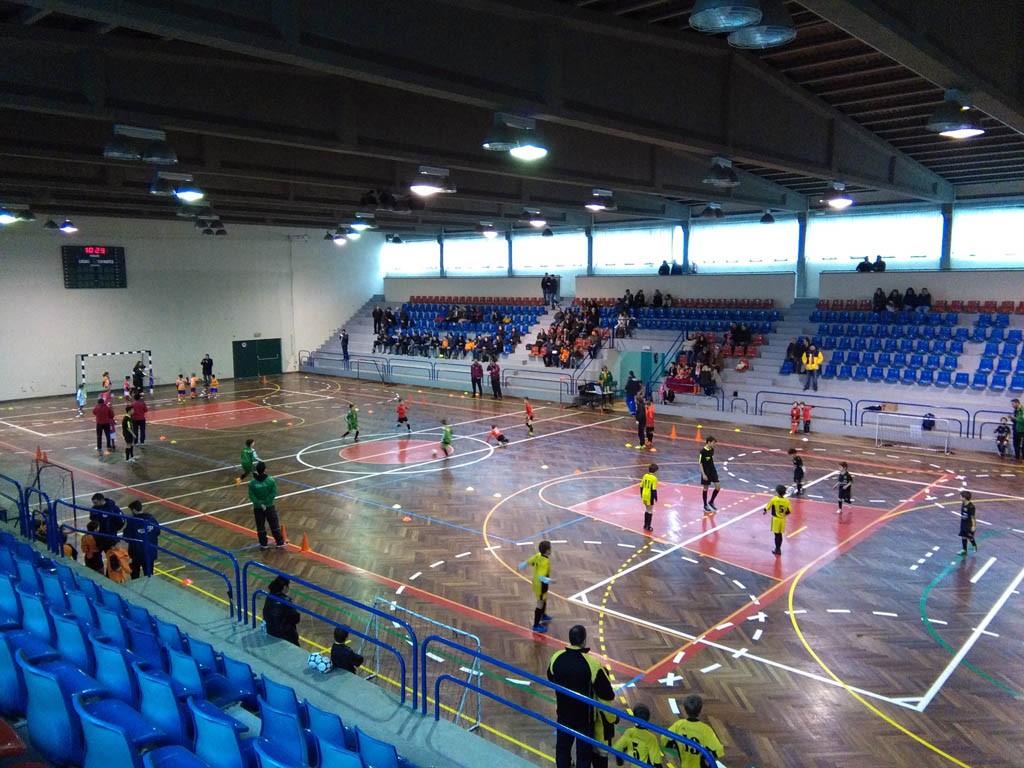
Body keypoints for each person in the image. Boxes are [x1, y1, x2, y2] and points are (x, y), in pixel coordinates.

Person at [547, 624, 614, 768]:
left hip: (563, 715)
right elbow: (607, 694)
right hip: (585, 720)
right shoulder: (593, 664)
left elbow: (550, 677)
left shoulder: (556, 658)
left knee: (562, 751)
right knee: (583, 757)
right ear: (584, 641)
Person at [662, 694, 724, 768]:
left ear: (685, 709)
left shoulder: (678, 725)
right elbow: (718, 751)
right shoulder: (705, 729)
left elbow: (664, 739)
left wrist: (675, 745)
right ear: (700, 709)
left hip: (684, 764)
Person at [249, 461, 285, 549]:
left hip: (257, 508)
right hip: (269, 506)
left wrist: (260, 504)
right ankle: (279, 542)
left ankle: (263, 544)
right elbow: (273, 493)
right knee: (274, 524)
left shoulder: (252, 483)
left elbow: (251, 496)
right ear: (265, 470)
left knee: (260, 526)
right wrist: (265, 503)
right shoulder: (271, 481)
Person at [518, 541, 552, 632]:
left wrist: (524, 564)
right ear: (547, 550)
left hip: (537, 584)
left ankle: (543, 615)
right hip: (541, 586)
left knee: (544, 599)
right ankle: (536, 625)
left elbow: (530, 560)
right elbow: (541, 576)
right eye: (550, 548)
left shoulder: (538, 555)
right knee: (540, 604)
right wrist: (549, 580)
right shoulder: (545, 562)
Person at [123, 499, 159, 579]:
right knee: (149, 575)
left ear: (134, 510)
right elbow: (157, 532)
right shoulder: (151, 519)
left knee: (135, 575)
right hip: (150, 551)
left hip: (136, 553)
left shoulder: (132, 522)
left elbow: (126, 537)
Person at [263, 576, 300, 645]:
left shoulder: (269, 597)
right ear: (284, 587)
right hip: (284, 635)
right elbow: (296, 618)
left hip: (269, 630)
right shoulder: (285, 601)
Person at [764, 484, 791, 556]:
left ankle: (777, 549)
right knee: (780, 535)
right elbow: (789, 511)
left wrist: (765, 510)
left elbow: (768, 506)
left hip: (776, 520)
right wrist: (783, 514)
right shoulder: (787, 501)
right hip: (782, 520)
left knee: (776, 535)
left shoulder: (774, 499)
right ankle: (778, 548)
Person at [699, 436, 720, 512]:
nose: (714, 444)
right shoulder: (702, 452)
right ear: (708, 442)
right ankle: (705, 505)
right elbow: (700, 463)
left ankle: (711, 501)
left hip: (713, 471)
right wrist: (703, 474)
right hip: (706, 472)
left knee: (718, 487)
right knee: (705, 488)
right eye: (713, 443)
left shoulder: (712, 450)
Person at [957, 490, 977, 555]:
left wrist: (973, 526)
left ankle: (974, 545)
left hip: (969, 524)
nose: (959, 498)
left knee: (970, 536)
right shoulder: (963, 504)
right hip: (963, 523)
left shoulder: (971, 507)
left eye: (960, 496)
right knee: (963, 536)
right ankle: (964, 550)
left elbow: (972, 517)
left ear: (964, 497)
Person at [640, 463, 658, 533]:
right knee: (650, 510)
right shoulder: (654, 478)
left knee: (647, 509)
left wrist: (641, 495)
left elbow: (641, 486)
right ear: (655, 471)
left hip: (644, 494)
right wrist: (655, 498)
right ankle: (648, 526)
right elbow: (653, 489)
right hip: (649, 495)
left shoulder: (645, 476)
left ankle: (645, 525)